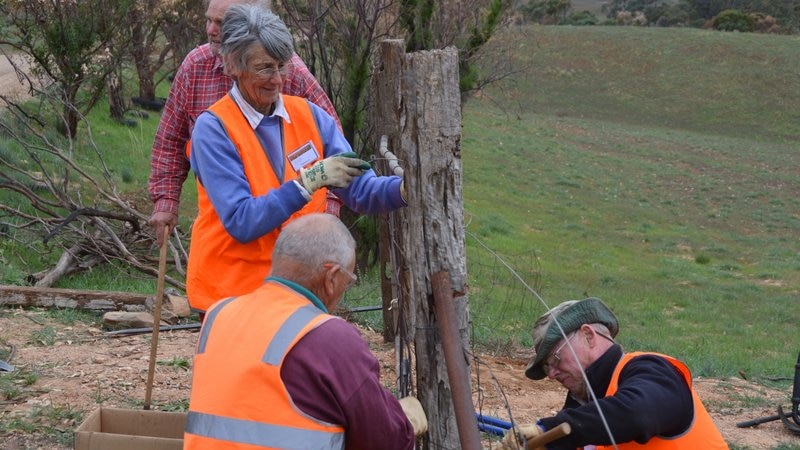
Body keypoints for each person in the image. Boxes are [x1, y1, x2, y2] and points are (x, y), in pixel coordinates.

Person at [185, 4, 406, 314]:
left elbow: (359, 191)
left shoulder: (311, 118)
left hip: (295, 295)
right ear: (233, 64)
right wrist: (307, 183)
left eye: (283, 66)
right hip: (232, 298)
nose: (278, 79)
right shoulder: (214, 129)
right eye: (265, 67)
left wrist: (404, 190)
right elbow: (242, 221)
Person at [184, 213, 427, 449]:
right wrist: (403, 421)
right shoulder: (329, 337)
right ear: (331, 277)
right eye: (349, 279)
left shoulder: (218, 315)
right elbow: (382, 440)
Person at [147, 0, 343, 247]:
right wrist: (166, 201)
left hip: (291, 235)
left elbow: (334, 147)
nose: (210, 30)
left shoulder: (286, 73)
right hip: (222, 238)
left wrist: (329, 212)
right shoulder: (195, 67)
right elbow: (170, 141)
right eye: (209, 20)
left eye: (221, 23)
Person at [501, 297, 728, 450]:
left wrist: (548, 428)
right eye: (545, 367)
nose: (551, 374)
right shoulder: (583, 402)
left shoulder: (652, 371)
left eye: (555, 359)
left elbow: (636, 414)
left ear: (589, 336)